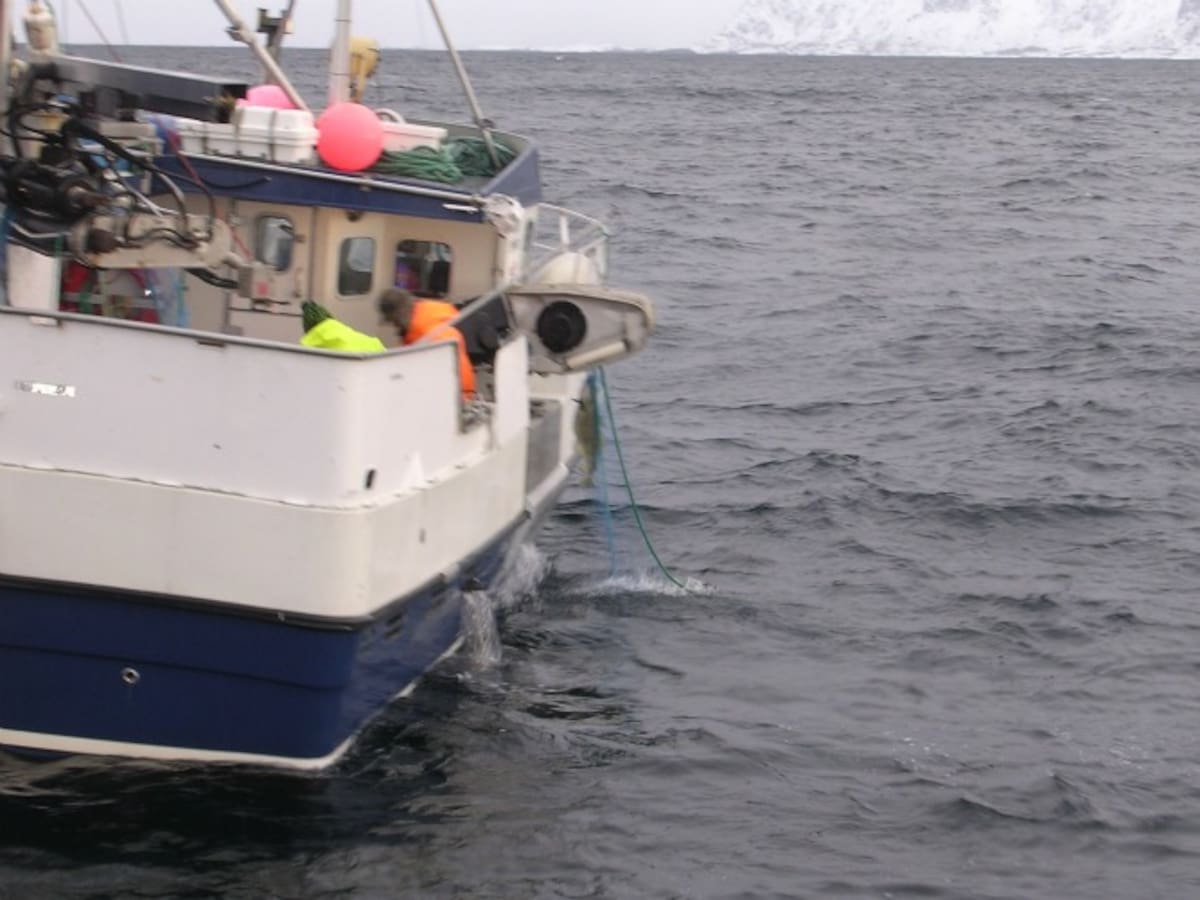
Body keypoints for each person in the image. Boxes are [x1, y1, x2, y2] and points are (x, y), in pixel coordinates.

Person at [377, 288, 476, 398]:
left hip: (455, 395)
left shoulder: (430, 332)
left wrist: (462, 398)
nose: (393, 325)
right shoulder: (421, 313)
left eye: (393, 320)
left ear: (400, 313)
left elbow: (456, 364)